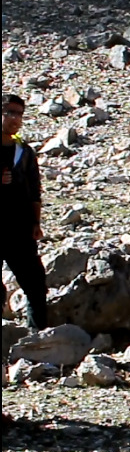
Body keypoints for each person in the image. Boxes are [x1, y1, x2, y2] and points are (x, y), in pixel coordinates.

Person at [1, 94, 47, 329]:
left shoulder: (24, 152)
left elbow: (34, 191)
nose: (15, 119)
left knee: (36, 285)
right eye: (10, 112)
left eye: (19, 114)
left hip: (20, 228)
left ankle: (37, 343)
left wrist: (36, 222)